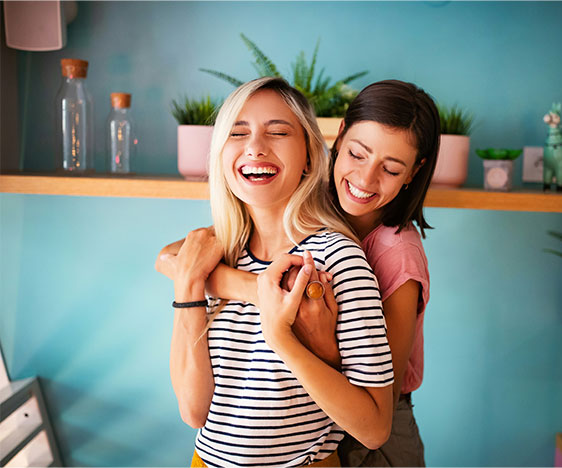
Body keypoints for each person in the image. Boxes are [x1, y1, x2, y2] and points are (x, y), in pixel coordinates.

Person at [158, 79, 440, 466]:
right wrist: (245, 287)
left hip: (375, 441)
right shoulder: (226, 246)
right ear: (337, 141)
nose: (365, 179)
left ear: (310, 153)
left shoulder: (384, 253)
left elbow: (378, 416)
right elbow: (194, 412)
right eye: (237, 132)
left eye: (390, 169)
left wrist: (285, 335)